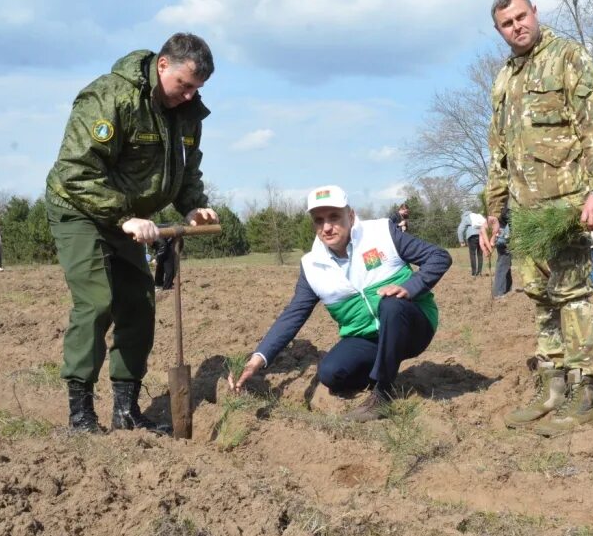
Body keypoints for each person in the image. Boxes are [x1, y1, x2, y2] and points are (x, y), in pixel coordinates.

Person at [45, 32, 219, 434]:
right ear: (163, 65)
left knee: (139, 304)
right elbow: (75, 170)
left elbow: (186, 168)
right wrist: (124, 216)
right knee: (97, 300)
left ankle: (126, 410)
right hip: (79, 208)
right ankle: (80, 414)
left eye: (198, 88)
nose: (191, 95)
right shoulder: (110, 98)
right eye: (186, 85)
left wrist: (192, 205)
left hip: (131, 218)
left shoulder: (187, 113)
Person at [480, 0, 593, 436]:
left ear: (535, 13)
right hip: (524, 211)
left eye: (521, 16)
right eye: (507, 23)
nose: (517, 26)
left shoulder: (568, 57)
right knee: (538, 298)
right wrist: (493, 211)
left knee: (571, 296)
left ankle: (584, 390)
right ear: (499, 30)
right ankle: (551, 386)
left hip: (567, 205)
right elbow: (498, 152)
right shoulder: (503, 79)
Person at [229, 186, 452, 422]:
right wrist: (256, 362)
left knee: (390, 304)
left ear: (351, 216)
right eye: (319, 220)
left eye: (334, 217)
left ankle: (382, 394)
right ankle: (384, 368)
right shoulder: (312, 266)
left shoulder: (382, 233)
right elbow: (293, 315)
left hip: (413, 327)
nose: (327, 227)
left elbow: (439, 257)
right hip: (369, 340)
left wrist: (409, 288)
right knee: (330, 373)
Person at [492, 205, 513, 298]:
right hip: (504, 240)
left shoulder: (497, 206)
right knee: (503, 265)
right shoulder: (506, 207)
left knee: (506, 263)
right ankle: (498, 292)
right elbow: (507, 217)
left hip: (500, 238)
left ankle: (508, 288)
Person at [457, 210, 487, 277]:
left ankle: (473, 273)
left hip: (472, 236)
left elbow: (460, 229)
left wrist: (461, 241)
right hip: (482, 235)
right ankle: (479, 272)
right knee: (480, 254)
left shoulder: (466, 218)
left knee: (472, 254)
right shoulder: (477, 216)